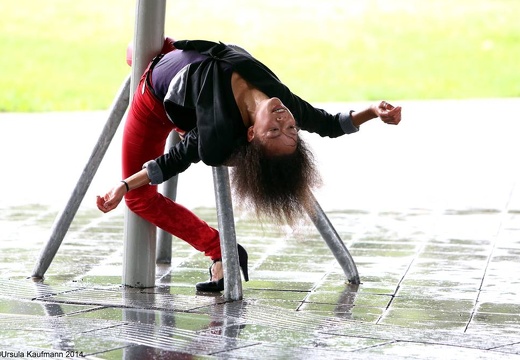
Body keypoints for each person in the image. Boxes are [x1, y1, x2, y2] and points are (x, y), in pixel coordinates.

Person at [96, 39, 402, 293]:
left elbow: (167, 164)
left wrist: (122, 186)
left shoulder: (216, 132)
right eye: (292, 130)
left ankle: (220, 249)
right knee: (137, 45)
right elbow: (330, 124)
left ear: (253, 134)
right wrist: (374, 111)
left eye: (274, 131)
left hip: (152, 99)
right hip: (183, 52)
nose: (284, 122)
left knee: (138, 198)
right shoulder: (284, 104)